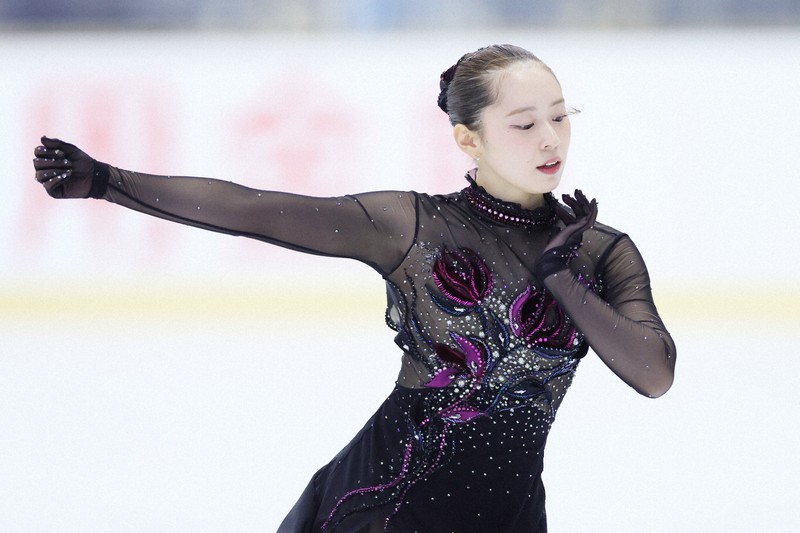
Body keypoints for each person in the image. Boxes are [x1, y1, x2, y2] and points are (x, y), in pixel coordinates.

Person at [32, 44, 676, 533]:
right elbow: (257, 208)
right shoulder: (413, 227)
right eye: (524, 124)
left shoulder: (601, 252)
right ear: (468, 138)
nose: (551, 138)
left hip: (510, 514)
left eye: (560, 117)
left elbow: (654, 374)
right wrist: (108, 181)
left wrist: (563, 281)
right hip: (387, 502)